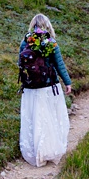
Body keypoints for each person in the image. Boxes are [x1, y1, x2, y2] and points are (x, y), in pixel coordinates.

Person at [18, 13, 72, 167]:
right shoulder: (51, 42)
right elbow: (59, 64)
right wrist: (67, 82)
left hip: (31, 87)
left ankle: (35, 152)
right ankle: (50, 149)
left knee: (34, 119)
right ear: (47, 26)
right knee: (49, 118)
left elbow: (20, 63)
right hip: (49, 86)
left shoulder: (25, 42)